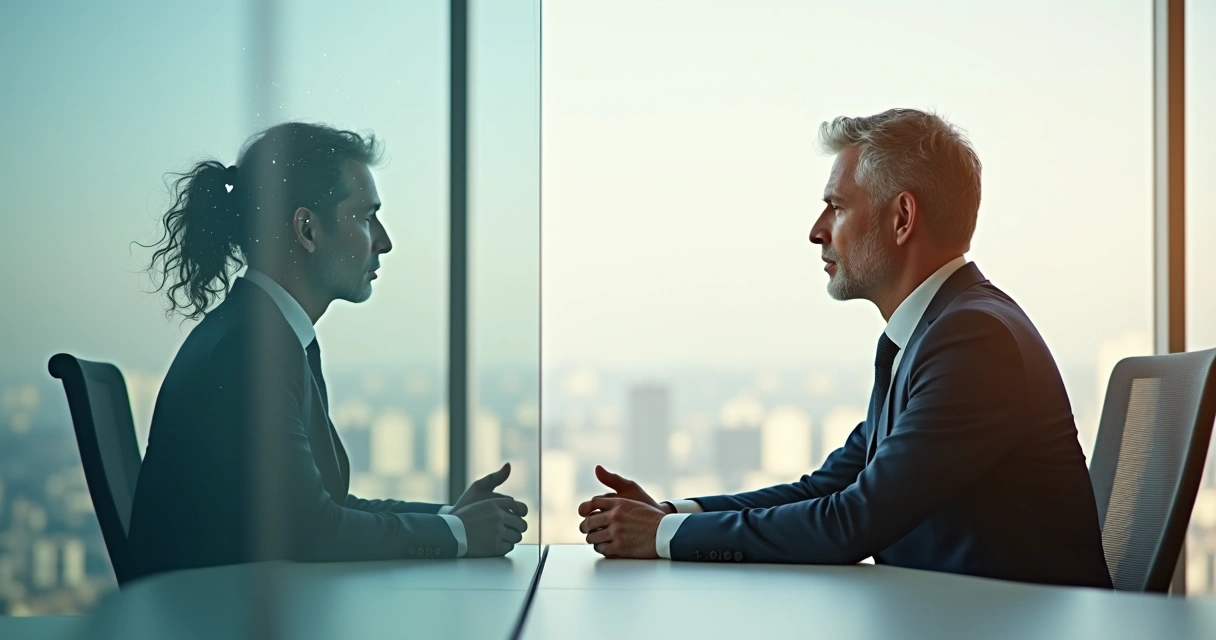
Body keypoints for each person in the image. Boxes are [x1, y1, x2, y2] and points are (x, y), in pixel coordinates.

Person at [576, 109, 1112, 588]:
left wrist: (663, 536)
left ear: (902, 218)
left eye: (835, 206)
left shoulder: (972, 340)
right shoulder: (935, 331)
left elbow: (851, 522)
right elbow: (831, 486)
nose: (816, 231)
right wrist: (672, 514)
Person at [128, 122, 526, 580]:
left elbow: (324, 508)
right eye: (364, 216)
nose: (384, 241)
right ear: (307, 229)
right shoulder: (251, 349)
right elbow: (315, 530)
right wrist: (457, 533)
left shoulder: (261, 333)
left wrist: (449, 516)